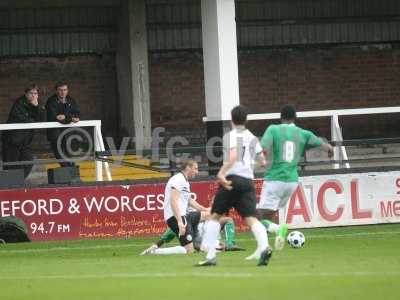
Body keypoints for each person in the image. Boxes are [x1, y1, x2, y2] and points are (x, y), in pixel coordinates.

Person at [197, 105, 271, 267]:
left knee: (214, 216)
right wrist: (249, 167)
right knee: (251, 218)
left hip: (231, 180)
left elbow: (232, 156)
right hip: (247, 181)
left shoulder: (230, 136)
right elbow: (263, 162)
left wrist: (221, 173)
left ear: (231, 119)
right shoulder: (252, 137)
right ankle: (265, 246)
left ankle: (210, 256)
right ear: (246, 120)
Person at [257, 104, 333, 250]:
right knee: (271, 211)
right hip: (292, 181)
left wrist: (261, 159)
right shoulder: (304, 133)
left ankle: (278, 230)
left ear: (281, 117)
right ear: (295, 118)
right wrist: (329, 149)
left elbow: (263, 147)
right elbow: (323, 145)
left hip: (275, 178)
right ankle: (270, 241)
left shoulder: (273, 129)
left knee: (254, 215)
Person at [149, 159, 209, 255]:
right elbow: (173, 201)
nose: (197, 172)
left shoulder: (185, 182)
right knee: (189, 251)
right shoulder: (178, 179)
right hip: (176, 217)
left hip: (183, 216)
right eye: (195, 169)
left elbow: (189, 201)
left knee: (209, 215)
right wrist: (180, 222)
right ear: (188, 168)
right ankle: (155, 251)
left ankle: (204, 242)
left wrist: (205, 209)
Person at [140, 209, 243, 255]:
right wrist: (156, 245)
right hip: (196, 244)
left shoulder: (210, 220)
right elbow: (169, 233)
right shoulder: (192, 219)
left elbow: (228, 220)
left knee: (185, 250)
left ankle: (228, 246)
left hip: (207, 245)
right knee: (184, 250)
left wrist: (228, 243)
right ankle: (154, 251)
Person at [1, 84, 46, 178]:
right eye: (31, 93)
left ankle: (18, 181)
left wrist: (37, 106)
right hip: (12, 141)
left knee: (28, 160)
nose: (33, 95)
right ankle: (11, 185)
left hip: (25, 141)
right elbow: (21, 118)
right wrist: (33, 119)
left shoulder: (36, 104)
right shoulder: (19, 103)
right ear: (26, 94)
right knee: (11, 166)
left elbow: (42, 119)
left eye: (35, 93)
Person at [45, 81, 80, 167]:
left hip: (67, 132)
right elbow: (55, 117)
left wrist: (66, 117)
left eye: (64, 90)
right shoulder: (51, 101)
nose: (63, 92)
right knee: (59, 153)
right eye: (60, 90)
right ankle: (67, 171)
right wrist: (71, 118)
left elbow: (77, 114)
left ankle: (71, 172)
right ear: (56, 91)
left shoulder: (71, 100)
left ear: (67, 91)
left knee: (69, 154)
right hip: (55, 133)